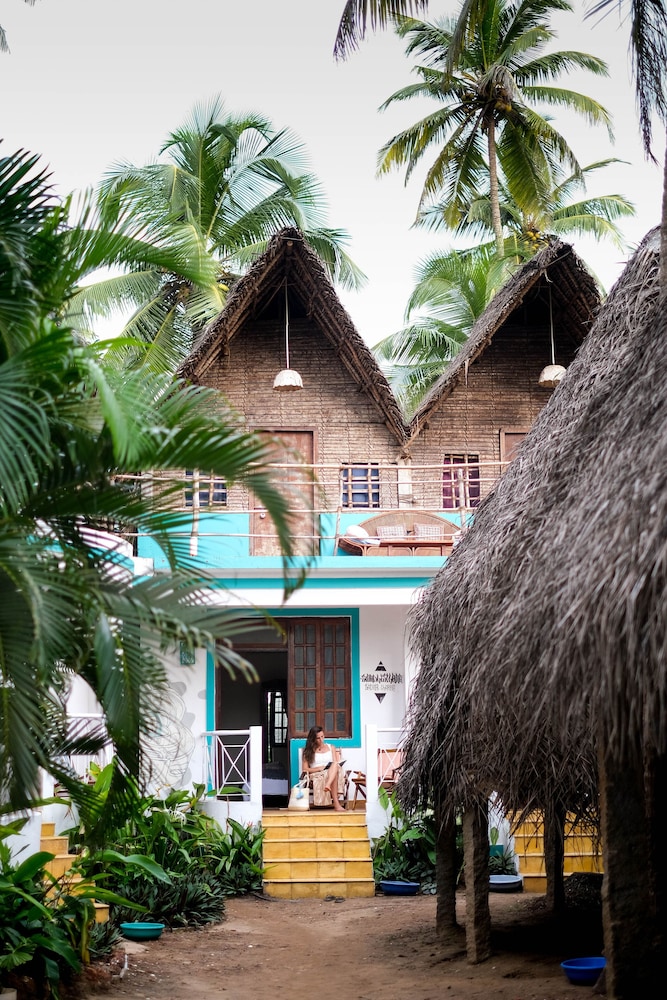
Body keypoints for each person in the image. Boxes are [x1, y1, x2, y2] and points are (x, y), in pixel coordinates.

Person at [302, 725, 346, 811]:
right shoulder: (308, 751)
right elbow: (305, 769)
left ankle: (328, 784)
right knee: (334, 773)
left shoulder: (331, 747)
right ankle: (336, 805)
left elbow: (335, 763)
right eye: (318, 738)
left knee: (335, 765)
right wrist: (319, 769)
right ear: (313, 739)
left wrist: (329, 768)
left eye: (322, 736)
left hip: (330, 771)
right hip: (317, 773)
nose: (321, 740)